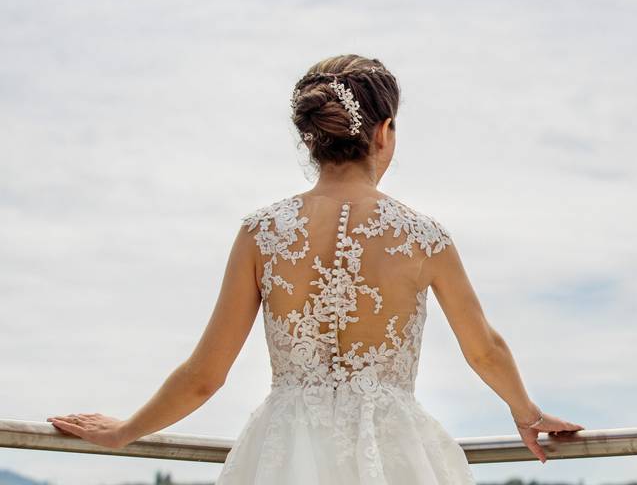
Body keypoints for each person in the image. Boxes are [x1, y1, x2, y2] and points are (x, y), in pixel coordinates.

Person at [47, 54, 584, 483]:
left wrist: (126, 432)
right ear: (385, 130)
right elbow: (483, 348)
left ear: (311, 136)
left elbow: (202, 378)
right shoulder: (423, 237)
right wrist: (526, 413)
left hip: (283, 454)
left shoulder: (262, 233)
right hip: (392, 454)